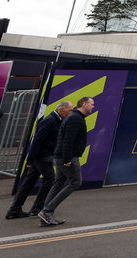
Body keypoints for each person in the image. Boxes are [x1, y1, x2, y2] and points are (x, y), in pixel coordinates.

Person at [6, 101, 72, 218]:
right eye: (69, 110)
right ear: (61, 109)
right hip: (42, 155)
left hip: (41, 155)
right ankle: (37, 207)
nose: (71, 112)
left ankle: (15, 209)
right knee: (49, 179)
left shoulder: (56, 120)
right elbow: (37, 140)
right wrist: (30, 160)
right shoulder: (50, 121)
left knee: (28, 182)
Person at [38, 96, 95, 226]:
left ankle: (46, 215)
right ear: (84, 104)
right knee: (75, 182)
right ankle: (47, 211)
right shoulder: (75, 118)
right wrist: (68, 158)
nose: (93, 107)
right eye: (92, 104)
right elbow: (69, 139)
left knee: (58, 184)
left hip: (61, 156)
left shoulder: (75, 117)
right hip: (67, 157)